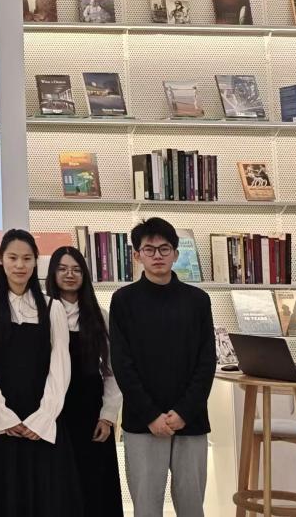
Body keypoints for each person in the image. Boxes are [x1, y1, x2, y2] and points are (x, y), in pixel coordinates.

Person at [109, 218, 215, 517]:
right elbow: (122, 364)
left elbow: (206, 362)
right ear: (137, 255)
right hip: (143, 422)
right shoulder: (123, 300)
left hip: (190, 420)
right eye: (149, 249)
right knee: (145, 506)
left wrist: (184, 412)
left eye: (164, 249)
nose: (157, 255)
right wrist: (151, 416)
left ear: (176, 254)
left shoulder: (198, 301)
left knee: (192, 506)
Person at [0, 229, 81, 517]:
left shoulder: (53, 307)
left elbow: (60, 365)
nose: (20, 265)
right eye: (13, 258)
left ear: (36, 262)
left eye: (27, 258)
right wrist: (1, 412)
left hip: (43, 422)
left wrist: (44, 416)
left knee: (47, 499)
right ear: (0, 259)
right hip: (2, 423)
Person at [46, 246, 124, 516]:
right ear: (52, 273)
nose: (69, 274)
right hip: (53, 412)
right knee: (59, 486)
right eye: (62, 269)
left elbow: (112, 371)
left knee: (95, 486)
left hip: (91, 411)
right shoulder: (42, 312)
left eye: (76, 269)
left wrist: (108, 416)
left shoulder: (99, 316)